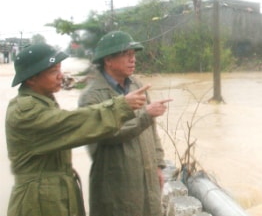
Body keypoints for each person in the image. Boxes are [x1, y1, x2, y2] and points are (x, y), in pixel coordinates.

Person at [5, 43, 153, 216]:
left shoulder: (43, 102)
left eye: (60, 70)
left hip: (54, 195)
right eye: (53, 72)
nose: (61, 76)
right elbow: (74, 124)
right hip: (39, 201)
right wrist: (120, 107)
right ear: (31, 79)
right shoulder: (25, 112)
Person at [78, 31, 171, 216]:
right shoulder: (92, 96)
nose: (133, 59)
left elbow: (152, 131)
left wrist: (158, 165)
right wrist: (145, 115)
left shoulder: (136, 85)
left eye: (134, 54)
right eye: (126, 55)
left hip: (146, 178)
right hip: (116, 183)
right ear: (108, 60)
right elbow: (106, 135)